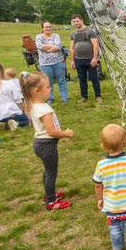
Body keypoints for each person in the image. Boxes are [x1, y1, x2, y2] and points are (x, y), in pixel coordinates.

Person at [20, 72, 73, 210]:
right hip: (47, 145)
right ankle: (51, 201)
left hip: (39, 143)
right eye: (48, 87)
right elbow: (52, 132)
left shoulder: (32, 104)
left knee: (48, 171)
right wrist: (66, 134)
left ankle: (48, 194)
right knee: (51, 173)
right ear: (37, 91)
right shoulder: (44, 109)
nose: (50, 89)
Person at [0, 63, 30, 129]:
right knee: (29, 120)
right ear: (2, 72)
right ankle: (15, 123)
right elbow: (18, 99)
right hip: (10, 111)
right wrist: (25, 111)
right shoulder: (8, 83)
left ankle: (5, 122)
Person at [70, 14, 102, 103]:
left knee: (94, 78)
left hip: (90, 59)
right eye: (74, 22)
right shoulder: (73, 33)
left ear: (81, 20)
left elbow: (95, 45)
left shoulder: (90, 31)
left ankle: (98, 96)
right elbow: (72, 47)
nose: (76, 23)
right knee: (82, 79)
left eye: (77, 21)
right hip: (78, 60)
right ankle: (84, 96)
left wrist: (95, 58)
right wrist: (72, 60)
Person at [36, 21, 68, 104]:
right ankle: (50, 97)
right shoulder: (38, 37)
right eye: (46, 27)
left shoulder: (56, 35)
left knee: (61, 80)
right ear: (42, 28)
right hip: (45, 64)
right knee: (48, 82)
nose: (48, 28)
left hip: (58, 62)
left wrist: (46, 49)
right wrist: (53, 47)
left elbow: (58, 46)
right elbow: (40, 46)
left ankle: (64, 97)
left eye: (49, 26)